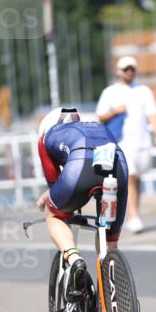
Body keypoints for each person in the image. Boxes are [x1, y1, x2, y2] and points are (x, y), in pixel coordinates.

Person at [36, 107, 128, 300]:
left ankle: (74, 258)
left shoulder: (45, 137)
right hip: (118, 167)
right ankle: (111, 302)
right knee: (109, 239)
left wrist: (50, 199)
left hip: (79, 167)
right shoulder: (95, 126)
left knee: (54, 214)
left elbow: (54, 183)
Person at [96, 56, 156, 234]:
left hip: (142, 141)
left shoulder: (143, 91)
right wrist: (115, 111)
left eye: (132, 68)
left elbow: (153, 114)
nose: (129, 72)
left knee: (137, 178)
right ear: (119, 71)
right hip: (122, 142)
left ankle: (134, 213)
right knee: (130, 177)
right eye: (126, 69)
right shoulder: (110, 92)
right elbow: (100, 116)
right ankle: (133, 216)